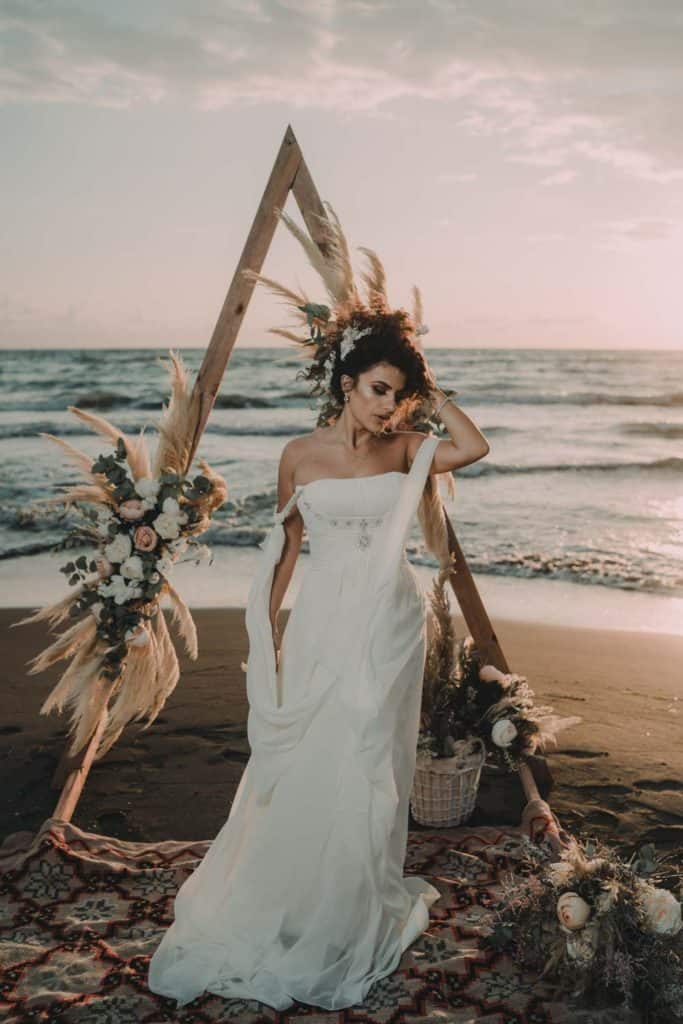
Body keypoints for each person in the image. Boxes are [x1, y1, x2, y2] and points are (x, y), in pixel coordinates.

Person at [147, 204, 490, 1011]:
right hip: (322, 619)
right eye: (378, 391)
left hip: (389, 618)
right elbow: (287, 547)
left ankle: (351, 900)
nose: (386, 408)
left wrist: (432, 391)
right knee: (307, 757)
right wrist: (265, 628)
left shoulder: (409, 447)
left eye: (399, 395)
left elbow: (472, 449)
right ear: (346, 382)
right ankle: (298, 898)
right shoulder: (298, 455)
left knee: (372, 759)